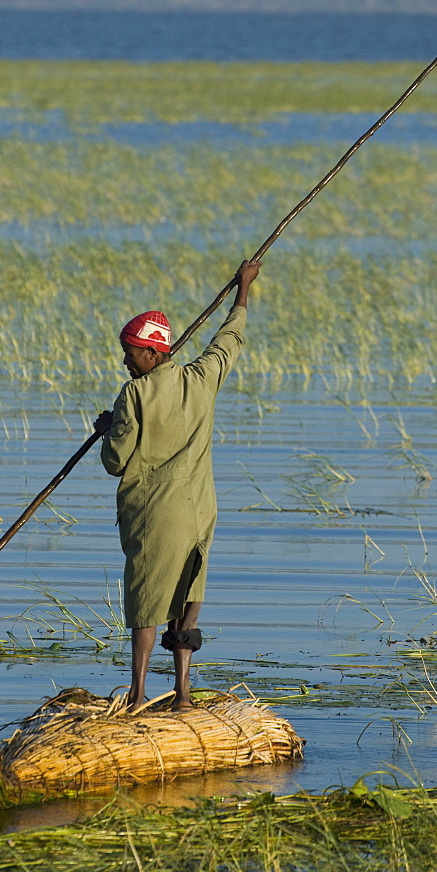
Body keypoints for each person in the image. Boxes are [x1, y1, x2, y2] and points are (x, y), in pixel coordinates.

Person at [93, 259, 261, 710]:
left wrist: (107, 428)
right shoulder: (202, 379)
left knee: (147, 602)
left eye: (130, 352)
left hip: (155, 514)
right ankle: (183, 696)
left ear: (152, 354)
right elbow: (229, 341)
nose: (125, 361)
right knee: (186, 598)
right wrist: (243, 289)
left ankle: (138, 694)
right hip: (200, 511)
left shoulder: (134, 395)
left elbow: (115, 462)